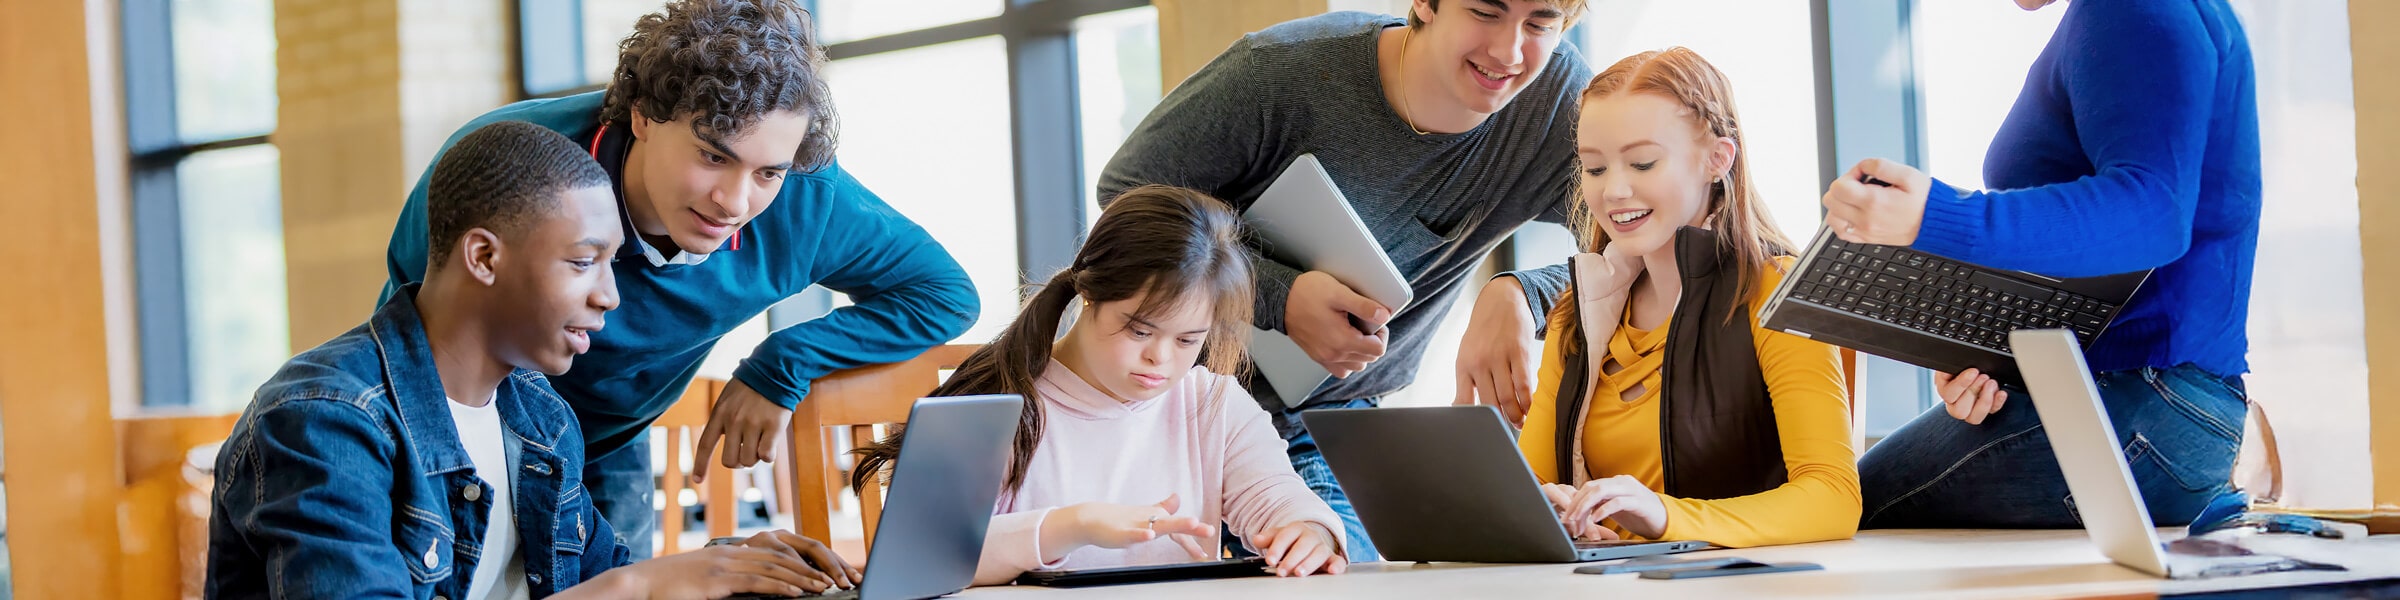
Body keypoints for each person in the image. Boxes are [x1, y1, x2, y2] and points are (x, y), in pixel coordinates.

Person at [376, 0, 978, 556]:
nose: (734, 201)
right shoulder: (502, 164)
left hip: (606, 444)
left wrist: (782, 365)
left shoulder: (807, 200)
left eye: (767, 172)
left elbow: (943, 295)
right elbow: (407, 332)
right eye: (713, 156)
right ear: (641, 117)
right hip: (456, 432)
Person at [209, 121, 860, 600]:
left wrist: (733, 568)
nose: (609, 296)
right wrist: (639, 586)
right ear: (485, 257)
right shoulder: (324, 418)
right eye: (582, 263)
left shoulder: (540, 418)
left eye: (611, 263)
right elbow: (620, 591)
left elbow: (604, 581)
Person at [1096, 0, 1596, 559]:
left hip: (1327, 420)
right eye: (1484, 12)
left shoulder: (1558, 104)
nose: (1509, 51)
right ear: (1424, 5)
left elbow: (1663, 236)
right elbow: (1126, 195)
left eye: (1540, 23)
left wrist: (1522, 294)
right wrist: (1277, 297)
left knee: (1341, 569)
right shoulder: (1282, 71)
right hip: (1164, 400)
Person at [1819, 0, 2259, 528]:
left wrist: (1937, 218)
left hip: (2144, 401)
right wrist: (1994, 359)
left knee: (1842, 510)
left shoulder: (2132, 9)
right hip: (2151, 408)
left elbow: (2153, 213)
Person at [852, 185, 1348, 584]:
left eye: (1188, 340)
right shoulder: (997, 401)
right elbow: (920, 557)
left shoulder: (1211, 403)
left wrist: (1309, 532)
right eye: (1140, 329)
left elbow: (1277, 497)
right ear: (1089, 294)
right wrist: (1073, 525)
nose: (1160, 357)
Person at [1515, 47, 1859, 548]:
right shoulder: (1578, 313)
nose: (1613, 191)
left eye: (1642, 162)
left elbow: (1833, 498)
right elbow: (1530, 484)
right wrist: (1548, 512)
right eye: (1594, 169)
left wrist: (1663, 518)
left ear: (1717, 160)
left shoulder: (1773, 291)